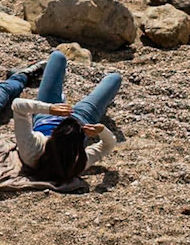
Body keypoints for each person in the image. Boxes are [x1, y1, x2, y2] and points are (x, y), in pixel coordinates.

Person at [12, 49, 122, 185]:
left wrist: (50, 109)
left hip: (47, 115)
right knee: (114, 78)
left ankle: (31, 75)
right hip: (82, 117)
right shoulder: (76, 161)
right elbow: (108, 145)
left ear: (54, 136)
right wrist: (101, 130)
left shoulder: (32, 150)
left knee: (58, 56)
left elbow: (17, 105)